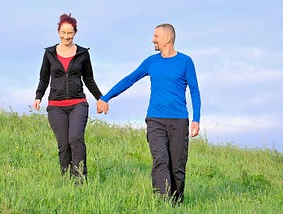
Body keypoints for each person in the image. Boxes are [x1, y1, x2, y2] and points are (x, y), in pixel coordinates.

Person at [97, 24, 201, 204]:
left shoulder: (185, 61)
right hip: (155, 120)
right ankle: (162, 202)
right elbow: (130, 79)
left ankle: (176, 203)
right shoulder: (151, 62)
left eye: (156, 36)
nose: (153, 39)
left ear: (167, 38)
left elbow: (194, 91)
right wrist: (106, 97)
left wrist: (196, 119)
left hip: (178, 121)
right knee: (160, 160)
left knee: (177, 166)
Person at [33, 13, 103, 182]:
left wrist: (100, 98)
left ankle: (79, 180)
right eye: (63, 33)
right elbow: (44, 78)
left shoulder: (82, 53)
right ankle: (66, 179)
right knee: (64, 145)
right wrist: (38, 96)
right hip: (56, 105)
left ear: (75, 33)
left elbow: (89, 79)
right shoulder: (49, 53)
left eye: (70, 33)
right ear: (58, 32)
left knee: (76, 139)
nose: (66, 36)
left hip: (78, 103)